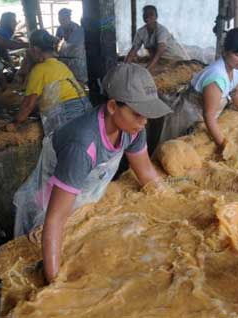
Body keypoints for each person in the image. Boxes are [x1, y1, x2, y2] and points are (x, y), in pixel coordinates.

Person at [13, 63, 172, 282]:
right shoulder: (82, 145)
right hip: (50, 205)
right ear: (113, 106)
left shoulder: (133, 130)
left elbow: (146, 174)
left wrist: (174, 206)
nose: (144, 122)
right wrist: (54, 282)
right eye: (137, 114)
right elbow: (56, 218)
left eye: (146, 114)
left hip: (86, 195)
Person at [158, 27, 238, 151]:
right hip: (188, 117)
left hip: (206, 117)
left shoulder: (237, 70)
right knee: (174, 150)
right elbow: (208, 116)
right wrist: (223, 146)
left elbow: (236, 92)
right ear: (225, 51)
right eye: (237, 54)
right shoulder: (216, 77)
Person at [14, 29, 92, 136]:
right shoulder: (61, 65)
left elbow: (28, 105)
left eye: (29, 49)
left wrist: (15, 123)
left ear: (35, 49)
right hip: (86, 112)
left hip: (68, 115)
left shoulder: (39, 70)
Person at [125, 5, 190, 71]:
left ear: (156, 17)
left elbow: (159, 52)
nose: (148, 16)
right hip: (159, 60)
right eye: (145, 14)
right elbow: (133, 51)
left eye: (151, 14)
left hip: (173, 60)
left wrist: (147, 69)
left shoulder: (161, 30)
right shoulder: (141, 32)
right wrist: (125, 67)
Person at [55, 8, 88, 84]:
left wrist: (61, 53)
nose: (61, 21)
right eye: (59, 19)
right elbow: (57, 41)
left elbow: (75, 47)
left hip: (77, 59)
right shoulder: (60, 29)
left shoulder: (78, 29)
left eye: (63, 19)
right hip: (66, 58)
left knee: (78, 81)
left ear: (69, 18)